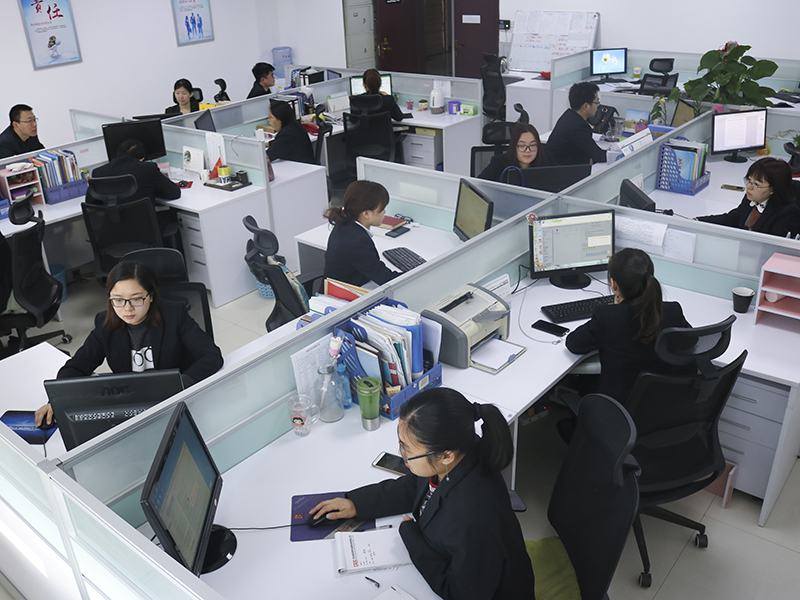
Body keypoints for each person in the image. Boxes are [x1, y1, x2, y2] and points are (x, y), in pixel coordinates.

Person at [310, 388, 535, 600]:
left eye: (407, 449)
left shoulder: (472, 518)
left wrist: (411, 536)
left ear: (446, 455)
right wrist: (357, 504)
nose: (401, 454)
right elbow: (414, 486)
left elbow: (460, 593)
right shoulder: (458, 450)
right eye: (401, 444)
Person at [34, 261, 223, 427]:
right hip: (133, 405)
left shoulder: (174, 314)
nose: (127, 308)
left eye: (136, 299)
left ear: (151, 296)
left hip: (174, 401)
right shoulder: (104, 323)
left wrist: (180, 385)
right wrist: (57, 401)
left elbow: (211, 356)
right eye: (118, 300)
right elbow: (77, 366)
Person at [565, 248, 692, 404]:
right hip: (665, 404)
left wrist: (615, 308)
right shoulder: (673, 311)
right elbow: (692, 341)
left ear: (614, 285)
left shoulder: (607, 317)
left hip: (617, 408)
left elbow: (573, 344)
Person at [696, 157, 800, 238]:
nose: (749, 187)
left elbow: (771, 246)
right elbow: (732, 219)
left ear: (773, 189)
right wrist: (698, 221)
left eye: (757, 184)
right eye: (749, 180)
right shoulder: (752, 197)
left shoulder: (787, 213)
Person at [322, 180, 401, 286]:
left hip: (340, 286)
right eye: (382, 209)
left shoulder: (343, 225)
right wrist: (418, 274)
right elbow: (386, 278)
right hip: (347, 294)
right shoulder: (359, 241)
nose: (384, 212)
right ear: (366, 214)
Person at [87, 139, 181, 205]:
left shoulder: (98, 173)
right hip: (143, 225)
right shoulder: (148, 169)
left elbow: (90, 202)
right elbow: (174, 193)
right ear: (142, 159)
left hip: (112, 226)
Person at [547, 82, 607, 166]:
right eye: (597, 102)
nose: (598, 106)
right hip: (564, 171)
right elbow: (598, 155)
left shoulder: (569, 115)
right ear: (586, 106)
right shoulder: (578, 126)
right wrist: (621, 153)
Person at [478, 123, 552, 181]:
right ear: (514, 147)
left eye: (532, 145)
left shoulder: (546, 163)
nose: (528, 150)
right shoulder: (498, 163)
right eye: (522, 146)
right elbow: (478, 185)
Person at [266, 100, 315, 165]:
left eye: (271, 117)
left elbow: (268, 156)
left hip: (300, 168)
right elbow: (278, 144)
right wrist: (267, 144)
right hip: (307, 165)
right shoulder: (296, 126)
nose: (269, 120)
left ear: (280, 120)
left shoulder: (286, 134)